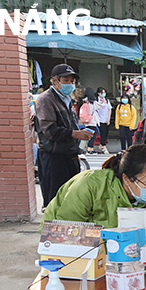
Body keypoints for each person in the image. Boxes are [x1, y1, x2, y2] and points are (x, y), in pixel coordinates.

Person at [40, 144, 146, 263]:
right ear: (127, 179)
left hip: (107, 251)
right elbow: (68, 230)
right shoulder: (89, 185)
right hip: (63, 238)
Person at [34, 64, 92, 208]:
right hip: (53, 157)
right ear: (55, 81)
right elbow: (50, 130)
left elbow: (70, 125)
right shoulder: (46, 100)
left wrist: (76, 144)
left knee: (70, 198)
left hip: (69, 154)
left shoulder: (67, 100)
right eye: (66, 80)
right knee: (55, 201)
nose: (70, 84)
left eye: (72, 81)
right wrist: (75, 134)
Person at [80, 87, 102, 154]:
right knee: (93, 135)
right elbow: (101, 106)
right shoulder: (93, 102)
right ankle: (90, 149)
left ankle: (86, 148)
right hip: (92, 121)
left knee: (87, 135)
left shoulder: (84, 101)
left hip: (87, 121)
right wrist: (103, 101)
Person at [96, 87, 112, 153]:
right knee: (102, 133)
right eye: (102, 93)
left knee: (106, 133)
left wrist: (108, 119)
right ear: (98, 93)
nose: (103, 94)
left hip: (106, 119)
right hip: (99, 119)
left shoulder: (107, 100)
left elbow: (109, 109)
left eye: (104, 92)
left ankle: (101, 145)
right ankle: (104, 146)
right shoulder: (96, 100)